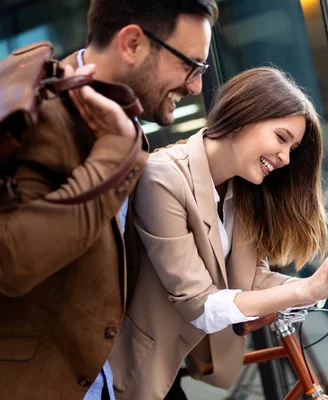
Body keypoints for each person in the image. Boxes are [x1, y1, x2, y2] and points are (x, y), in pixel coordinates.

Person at [108, 67, 328, 399]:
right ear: (243, 115)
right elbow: (200, 305)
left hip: (179, 359)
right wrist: (309, 289)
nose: (286, 158)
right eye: (281, 138)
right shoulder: (163, 178)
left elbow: (250, 277)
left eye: (293, 148)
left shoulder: (241, 187)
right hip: (133, 369)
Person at [0, 1, 218, 399]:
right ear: (133, 43)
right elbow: (13, 262)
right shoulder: (36, 115)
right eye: (192, 65)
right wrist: (115, 153)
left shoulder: (126, 123)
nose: (195, 86)